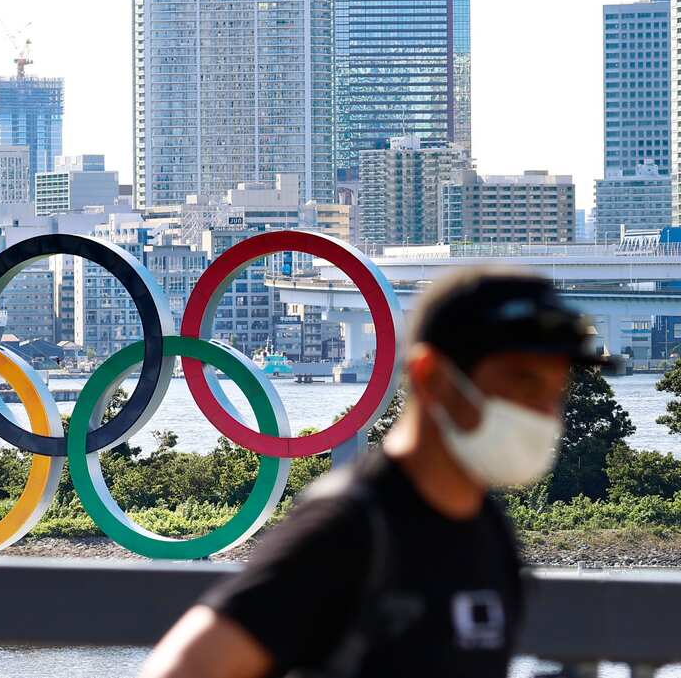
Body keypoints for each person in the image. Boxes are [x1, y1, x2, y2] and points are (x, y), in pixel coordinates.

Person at [139, 268, 609, 678]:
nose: (545, 411)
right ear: (431, 378)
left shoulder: (487, 528)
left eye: (556, 388)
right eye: (523, 381)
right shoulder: (349, 529)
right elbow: (185, 668)